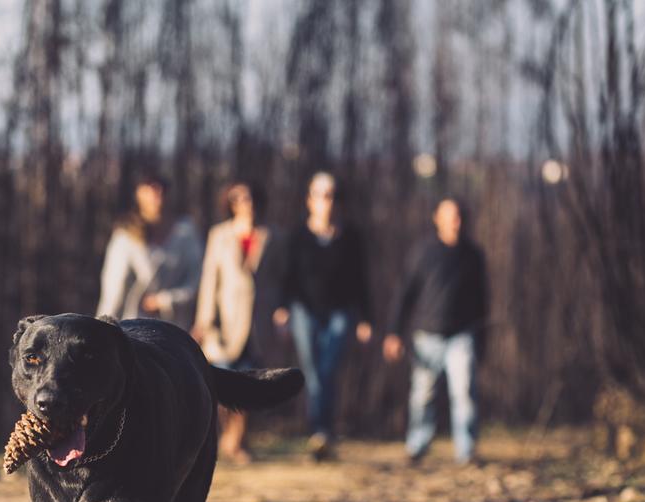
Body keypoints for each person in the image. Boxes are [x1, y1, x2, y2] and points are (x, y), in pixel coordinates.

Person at [272, 172, 373, 460]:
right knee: (313, 373)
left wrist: (366, 319)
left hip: (341, 312)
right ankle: (320, 432)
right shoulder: (298, 236)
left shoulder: (351, 237)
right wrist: (282, 309)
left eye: (331, 195)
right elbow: (288, 276)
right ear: (309, 200)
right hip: (304, 310)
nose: (326, 201)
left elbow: (360, 280)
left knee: (328, 371)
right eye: (320, 195)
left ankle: (324, 430)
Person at [383, 196, 489, 465]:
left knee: (464, 392)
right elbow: (405, 294)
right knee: (422, 395)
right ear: (437, 219)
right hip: (426, 336)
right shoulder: (423, 252)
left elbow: (482, 301)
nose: (455, 222)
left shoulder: (473, 256)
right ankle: (417, 444)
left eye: (459, 216)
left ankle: (466, 450)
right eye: (450, 216)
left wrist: (482, 340)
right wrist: (394, 332)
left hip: (462, 336)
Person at [191, 182, 272, 464]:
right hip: (224, 321)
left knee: (248, 383)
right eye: (238, 198)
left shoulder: (268, 235)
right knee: (222, 383)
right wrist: (203, 321)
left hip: (257, 323)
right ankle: (228, 437)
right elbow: (210, 279)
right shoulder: (220, 235)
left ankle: (237, 440)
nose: (245, 202)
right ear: (230, 202)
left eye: (249, 197)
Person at [96, 175, 203, 328]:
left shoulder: (186, 231)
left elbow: (196, 280)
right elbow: (113, 291)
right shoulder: (125, 236)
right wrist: (101, 329)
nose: (156, 192)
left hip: (178, 330)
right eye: (149, 186)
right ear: (138, 193)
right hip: (133, 330)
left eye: (160, 186)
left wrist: (164, 300)